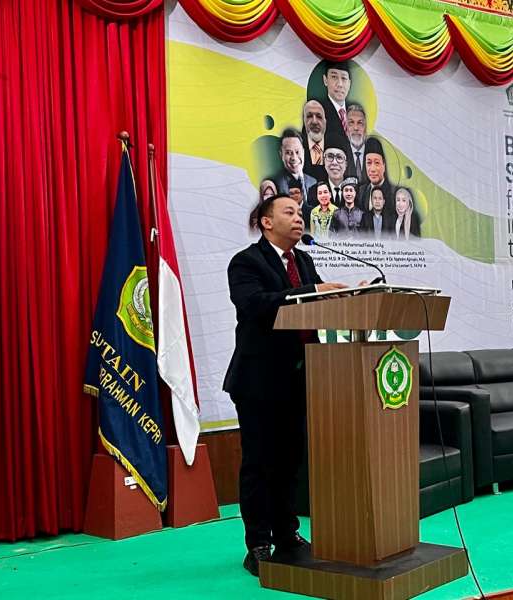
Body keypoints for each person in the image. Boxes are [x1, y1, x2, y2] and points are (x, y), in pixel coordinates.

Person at [224, 195, 347, 577]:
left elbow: (316, 306)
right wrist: (312, 293)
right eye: (289, 212)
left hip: (300, 375)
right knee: (260, 463)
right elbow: (256, 305)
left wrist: (348, 295)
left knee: (290, 461)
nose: (298, 218)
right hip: (259, 380)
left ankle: (287, 533)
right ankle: (259, 543)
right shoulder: (246, 262)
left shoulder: (303, 261)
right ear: (266, 222)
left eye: (299, 212)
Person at [274, 129, 317, 202]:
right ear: (281, 155)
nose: (294, 158)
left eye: (297, 152)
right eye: (288, 152)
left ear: (303, 152)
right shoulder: (276, 184)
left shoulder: (313, 182)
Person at [357, 137, 395, 213]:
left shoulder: (394, 193)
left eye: (377, 163)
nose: (372, 169)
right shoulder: (361, 191)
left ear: (384, 165)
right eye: (369, 163)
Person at [318, 61, 351, 138]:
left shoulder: (355, 111)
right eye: (334, 77)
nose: (340, 84)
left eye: (344, 78)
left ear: (349, 83)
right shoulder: (317, 112)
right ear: (325, 80)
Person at [322, 133, 351, 207]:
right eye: (330, 156)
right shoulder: (314, 191)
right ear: (324, 161)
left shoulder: (357, 192)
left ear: (346, 164)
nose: (334, 162)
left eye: (339, 157)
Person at [301, 99, 327, 181]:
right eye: (309, 116)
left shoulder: (337, 144)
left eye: (319, 116)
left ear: (325, 121)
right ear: (304, 121)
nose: (314, 121)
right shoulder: (297, 146)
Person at [346, 103, 368, 183]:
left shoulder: (373, 152)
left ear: (365, 128)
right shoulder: (341, 154)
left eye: (360, 123)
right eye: (351, 123)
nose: (356, 128)